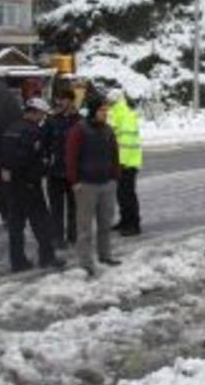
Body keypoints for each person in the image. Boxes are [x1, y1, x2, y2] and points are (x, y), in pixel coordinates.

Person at [0, 98, 66, 272]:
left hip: (11, 185)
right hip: (29, 184)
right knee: (41, 222)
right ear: (34, 112)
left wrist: (6, 171)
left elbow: (2, 156)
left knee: (16, 225)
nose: (43, 118)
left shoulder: (11, 128)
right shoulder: (33, 132)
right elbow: (34, 159)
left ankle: (17, 261)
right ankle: (47, 257)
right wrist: (45, 168)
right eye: (42, 114)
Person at [66, 95, 123, 276]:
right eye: (102, 110)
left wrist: (115, 177)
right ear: (93, 111)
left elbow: (115, 154)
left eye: (106, 110)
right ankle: (85, 262)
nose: (105, 113)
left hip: (107, 184)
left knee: (105, 224)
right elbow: (71, 157)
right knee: (85, 228)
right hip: (86, 185)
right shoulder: (79, 130)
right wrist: (74, 181)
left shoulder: (108, 130)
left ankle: (105, 255)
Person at [43, 89, 81, 247]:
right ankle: (57, 237)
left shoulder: (80, 121)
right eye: (58, 99)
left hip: (75, 172)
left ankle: (74, 235)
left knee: (75, 207)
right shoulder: (51, 120)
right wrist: (46, 160)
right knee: (56, 207)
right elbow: (44, 142)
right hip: (55, 171)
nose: (59, 102)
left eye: (63, 99)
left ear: (71, 101)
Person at [107, 89, 143, 236]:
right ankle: (125, 220)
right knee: (121, 194)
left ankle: (133, 224)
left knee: (127, 194)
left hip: (127, 162)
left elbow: (127, 141)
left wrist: (122, 162)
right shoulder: (116, 112)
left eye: (109, 100)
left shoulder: (124, 113)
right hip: (122, 160)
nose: (108, 103)